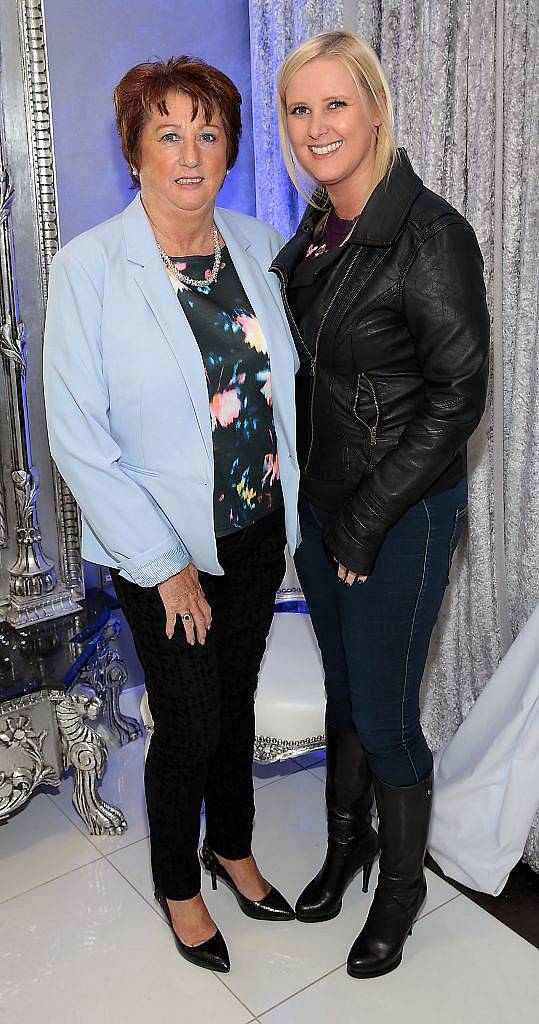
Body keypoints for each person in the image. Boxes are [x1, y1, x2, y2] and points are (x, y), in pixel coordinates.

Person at [43, 56, 301, 974]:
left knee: (232, 708)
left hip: (256, 529)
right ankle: (177, 884)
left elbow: (280, 394)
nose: (191, 153)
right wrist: (164, 560)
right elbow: (78, 437)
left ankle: (229, 848)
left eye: (208, 131)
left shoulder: (257, 242)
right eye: (168, 132)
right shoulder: (91, 268)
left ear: (229, 146)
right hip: (165, 551)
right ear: (134, 150)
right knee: (188, 721)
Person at [272, 30, 489, 978]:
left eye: (334, 104)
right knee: (348, 693)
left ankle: (400, 891)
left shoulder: (428, 231)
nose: (317, 125)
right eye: (299, 108)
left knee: (391, 715)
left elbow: (458, 394)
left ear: (373, 109)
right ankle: (347, 844)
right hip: (325, 512)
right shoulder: (318, 230)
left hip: (399, 514)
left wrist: (365, 518)